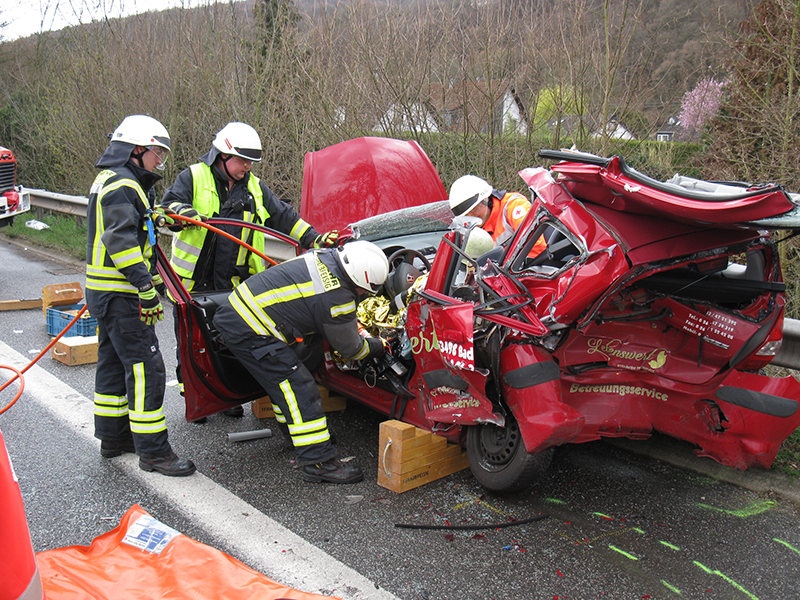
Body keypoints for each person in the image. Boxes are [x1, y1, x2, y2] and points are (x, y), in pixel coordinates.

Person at [159, 122, 338, 418]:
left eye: (250, 161)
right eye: (243, 161)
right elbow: (167, 210)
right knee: (193, 343)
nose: (247, 167)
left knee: (231, 340)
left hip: (235, 281)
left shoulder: (254, 187)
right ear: (223, 155)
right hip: (194, 281)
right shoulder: (193, 176)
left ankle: (226, 396)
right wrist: (181, 213)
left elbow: (284, 216)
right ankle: (198, 397)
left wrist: (313, 238)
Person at [211, 240, 390, 484]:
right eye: (364, 291)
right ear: (359, 282)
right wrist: (378, 346)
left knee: (284, 386)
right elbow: (351, 349)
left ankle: (300, 438)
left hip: (240, 312)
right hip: (251, 329)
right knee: (299, 388)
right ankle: (318, 462)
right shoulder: (338, 296)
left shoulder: (324, 256)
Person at [86, 114, 195, 477]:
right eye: (156, 153)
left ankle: (113, 437)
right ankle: (154, 452)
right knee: (146, 367)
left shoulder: (110, 179)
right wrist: (145, 286)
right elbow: (119, 240)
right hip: (122, 293)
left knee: (114, 363)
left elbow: (131, 225)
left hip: (104, 291)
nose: (159, 162)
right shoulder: (123, 184)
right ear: (137, 149)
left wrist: (157, 217)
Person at [448, 174, 532, 246]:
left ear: (486, 199)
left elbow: (536, 245)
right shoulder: (471, 232)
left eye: (474, 209)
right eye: (465, 215)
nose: (471, 217)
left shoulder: (513, 206)